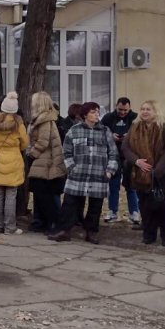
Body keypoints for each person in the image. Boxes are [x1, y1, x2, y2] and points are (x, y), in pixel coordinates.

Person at [49, 102, 118, 244]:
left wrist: (110, 171)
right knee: (70, 204)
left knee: (95, 206)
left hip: (98, 175)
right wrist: (71, 168)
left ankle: (91, 232)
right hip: (78, 175)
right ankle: (63, 231)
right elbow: (66, 152)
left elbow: (113, 153)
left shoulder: (105, 131)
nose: (96, 114)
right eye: (93, 112)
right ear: (85, 115)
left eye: (97, 112)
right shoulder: (74, 130)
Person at [122, 100, 165, 246]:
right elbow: (125, 148)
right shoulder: (135, 127)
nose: (145, 112)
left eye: (148, 109)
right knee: (146, 207)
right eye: (142, 109)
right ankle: (149, 235)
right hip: (142, 175)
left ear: (156, 111)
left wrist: (157, 172)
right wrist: (136, 161)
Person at [26, 92, 67, 234]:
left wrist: (31, 154)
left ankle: (54, 224)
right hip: (45, 160)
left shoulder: (44, 120)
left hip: (46, 161)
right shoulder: (44, 119)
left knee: (46, 195)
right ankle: (44, 223)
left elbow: (43, 142)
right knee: (43, 194)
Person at [0, 92, 29, 234]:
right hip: (14, 160)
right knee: (11, 194)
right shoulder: (18, 124)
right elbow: (24, 144)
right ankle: (10, 227)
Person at [101, 97, 139, 224]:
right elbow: (101, 132)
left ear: (129, 108)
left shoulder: (135, 118)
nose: (122, 112)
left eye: (125, 110)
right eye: (120, 109)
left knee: (131, 185)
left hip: (130, 155)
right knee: (113, 184)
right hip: (113, 155)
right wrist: (110, 135)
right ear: (116, 106)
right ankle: (112, 211)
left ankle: (134, 212)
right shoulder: (108, 118)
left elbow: (141, 134)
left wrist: (130, 136)